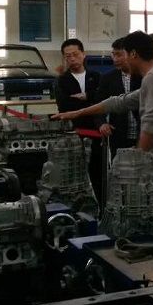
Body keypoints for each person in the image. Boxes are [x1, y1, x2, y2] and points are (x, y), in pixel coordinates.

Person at [51, 30, 153, 211]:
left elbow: (151, 124)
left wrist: (136, 162)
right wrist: (78, 113)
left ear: (133, 54)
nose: (122, 60)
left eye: (124, 54)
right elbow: (120, 102)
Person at [54, 38, 103, 200]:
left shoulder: (96, 76)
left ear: (83, 54)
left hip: (97, 131)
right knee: (74, 173)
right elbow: (64, 105)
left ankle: (101, 205)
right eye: (68, 56)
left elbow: (103, 99)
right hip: (73, 133)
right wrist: (90, 101)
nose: (72, 59)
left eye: (75, 54)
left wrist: (87, 96)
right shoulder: (62, 80)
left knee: (98, 172)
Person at [97, 37, 142, 160]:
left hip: (142, 134)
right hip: (119, 135)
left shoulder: (143, 76)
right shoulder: (107, 78)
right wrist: (102, 123)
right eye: (113, 55)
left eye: (119, 55)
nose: (115, 59)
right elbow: (99, 103)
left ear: (130, 54)